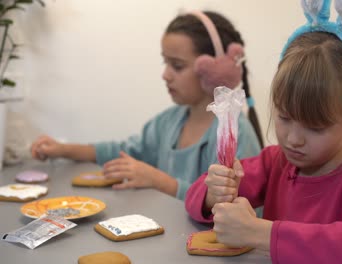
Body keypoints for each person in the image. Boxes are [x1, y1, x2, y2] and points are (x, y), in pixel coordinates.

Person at [184, 0, 342, 263]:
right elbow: (193, 195)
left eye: (315, 127)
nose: (293, 139)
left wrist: (262, 233)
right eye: (284, 117)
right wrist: (211, 194)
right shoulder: (275, 162)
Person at [30, 11, 263, 200]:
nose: (165, 75)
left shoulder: (236, 135)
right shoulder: (167, 122)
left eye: (177, 66)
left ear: (215, 69)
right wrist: (64, 150)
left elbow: (236, 205)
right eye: (165, 63)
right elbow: (126, 152)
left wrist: (161, 181)